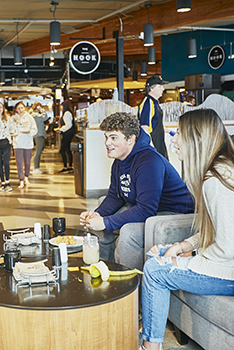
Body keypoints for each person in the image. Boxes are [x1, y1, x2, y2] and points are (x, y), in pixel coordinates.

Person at [140, 109, 234, 350]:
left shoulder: (217, 180)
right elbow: (217, 228)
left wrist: (190, 259)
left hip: (228, 272)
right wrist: (184, 246)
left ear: (196, 138)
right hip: (226, 265)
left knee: (154, 269)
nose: (172, 139)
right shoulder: (218, 171)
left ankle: (151, 346)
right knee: (159, 256)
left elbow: (228, 247)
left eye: (178, 133)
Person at [79, 112, 194, 268]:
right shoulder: (120, 161)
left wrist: (106, 222)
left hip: (177, 213)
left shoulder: (149, 161)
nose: (107, 143)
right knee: (97, 226)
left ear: (130, 139)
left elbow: (146, 210)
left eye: (113, 138)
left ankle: (129, 281)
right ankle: (102, 270)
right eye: (106, 137)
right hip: (153, 209)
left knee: (129, 232)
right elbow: (115, 196)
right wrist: (98, 214)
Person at [138, 76, 168, 159]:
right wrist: (152, 147)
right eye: (160, 86)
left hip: (160, 145)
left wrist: (167, 130)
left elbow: (153, 123)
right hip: (153, 146)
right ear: (152, 88)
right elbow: (144, 127)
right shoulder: (148, 103)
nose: (163, 89)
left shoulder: (155, 103)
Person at [12, 101, 37, 189]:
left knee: (27, 162)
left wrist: (30, 132)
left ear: (24, 108)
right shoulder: (14, 118)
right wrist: (14, 122)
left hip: (28, 143)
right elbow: (11, 130)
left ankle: (26, 177)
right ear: (16, 110)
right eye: (18, 108)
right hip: (17, 143)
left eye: (21, 108)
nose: (20, 110)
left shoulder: (29, 117)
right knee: (19, 163)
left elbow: (34, 129)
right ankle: (21, 180)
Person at [56, 100, 76, 173]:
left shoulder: (67, 113)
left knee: (62, 150)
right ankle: (69, 166)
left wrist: (61, 129)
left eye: (61, 106)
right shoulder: (68, 112)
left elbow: (68, 125)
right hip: (69, 133)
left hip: (67, 134)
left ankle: (65, 167)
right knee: (67, 150)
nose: (60, 107)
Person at [31, 101, 48, 173]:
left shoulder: (36, 114)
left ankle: (37, 166)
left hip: (39, 134)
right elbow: (45, 117)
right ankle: (35, 167)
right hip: (39, 134)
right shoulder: (35, 115)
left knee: (39, 151)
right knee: (38, 151)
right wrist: (42, 109)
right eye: (38, 106)